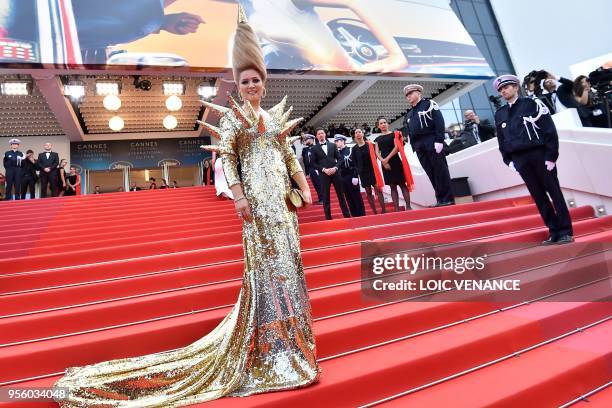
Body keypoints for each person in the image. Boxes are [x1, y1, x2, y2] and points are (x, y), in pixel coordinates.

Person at [54, 7, 320, 406]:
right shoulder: (233, 120)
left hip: (284, 209)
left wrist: (304, 185)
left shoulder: (273, 117)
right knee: (264, 276)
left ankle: (292, 347)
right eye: (245, 80)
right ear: (238, 82)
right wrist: (240, 197)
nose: (251, 86)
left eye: (256, 80)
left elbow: (288, 158)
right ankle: (266, 351)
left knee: (289, 271)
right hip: (256, 211)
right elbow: (228, 160)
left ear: (264, 82)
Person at [493, 74, 573, 245]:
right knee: (539, 197)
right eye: (500, 89)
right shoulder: (500, 114)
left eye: (506, 87)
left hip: (540, 155)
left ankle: (566, 231)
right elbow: (501, 140)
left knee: (555, 193)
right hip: (520, 160)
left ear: (515, 87)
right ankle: (554, 231)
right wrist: (508, 160)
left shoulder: (532, 104)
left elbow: (549, 130)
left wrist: (551, 156)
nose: (503, 91)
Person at [404, 84, 454, 207]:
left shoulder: (428, 104)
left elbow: (439, 121)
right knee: (431, 172)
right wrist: (414, 147)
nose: (409, 96)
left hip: (431, 141)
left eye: (411, 93)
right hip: (420, 146)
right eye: (407, 95)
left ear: (419, 93)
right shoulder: (409, 114)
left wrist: (439, 140)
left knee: (440, 171)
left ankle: (447, 198)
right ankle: (440, 199)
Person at [310, 128, 351, 220]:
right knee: (325, 197)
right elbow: (313, 163)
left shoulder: (332, 145)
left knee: (341, 195)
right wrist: (323, 169)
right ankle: (328, 217)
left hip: (335, 173)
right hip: (324, 175)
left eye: (322, 133)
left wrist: (335, 168)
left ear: (325, 134)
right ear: (316, 136)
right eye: (319, 134)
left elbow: (340, 159)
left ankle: (347, 215)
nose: (321, 135)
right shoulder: (314, 148)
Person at [374, 116, 412, 211]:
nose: (383, 124)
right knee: (392, 186)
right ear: (378, 126)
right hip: (385, 164)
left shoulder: (394, 134)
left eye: (384, 122)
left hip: (395, 161)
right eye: (381, 123)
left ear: (388, 124)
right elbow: (377, 152)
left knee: (402, 184)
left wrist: (387, 158)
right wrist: (383, 161)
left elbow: (397, 147)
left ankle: (408, 206)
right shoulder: (377, 139)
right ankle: (396, 209)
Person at [351, 128, 386, 214]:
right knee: (368, 192)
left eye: (359, 132)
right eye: (356, 133)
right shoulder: (354, 149)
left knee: (378, 190)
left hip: (373, 170)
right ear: (354, 135)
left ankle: (384, 210)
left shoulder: (370, 144)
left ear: (363, 134)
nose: (358, 134)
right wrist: (358, 171)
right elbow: (354, 162)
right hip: (363, 173)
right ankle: (374, 211)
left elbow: (377, 155)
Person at [335, 134, 365, 217]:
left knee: (356, 196)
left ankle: (361, 215)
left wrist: (355, 175)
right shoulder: (336, 153)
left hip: (351, 175)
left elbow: (356, 163)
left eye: (338, 141)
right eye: (336, 141)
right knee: (348, 198)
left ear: (343, 141)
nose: (336, 143)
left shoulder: (351, 150)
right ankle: (354, 216)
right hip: (342, 177)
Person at [301, 133, 323, 204]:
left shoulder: (317, 147)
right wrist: (307, 172)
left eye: (307, 139)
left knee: (319, 184)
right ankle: (320, 198)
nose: (305, 141)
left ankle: (323, 199)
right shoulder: (306, 149)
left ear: (311, 139)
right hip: (311, 169)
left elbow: (320, 159)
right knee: (315, 184)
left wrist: (318, 169)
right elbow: (306, 161)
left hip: (316, 169)